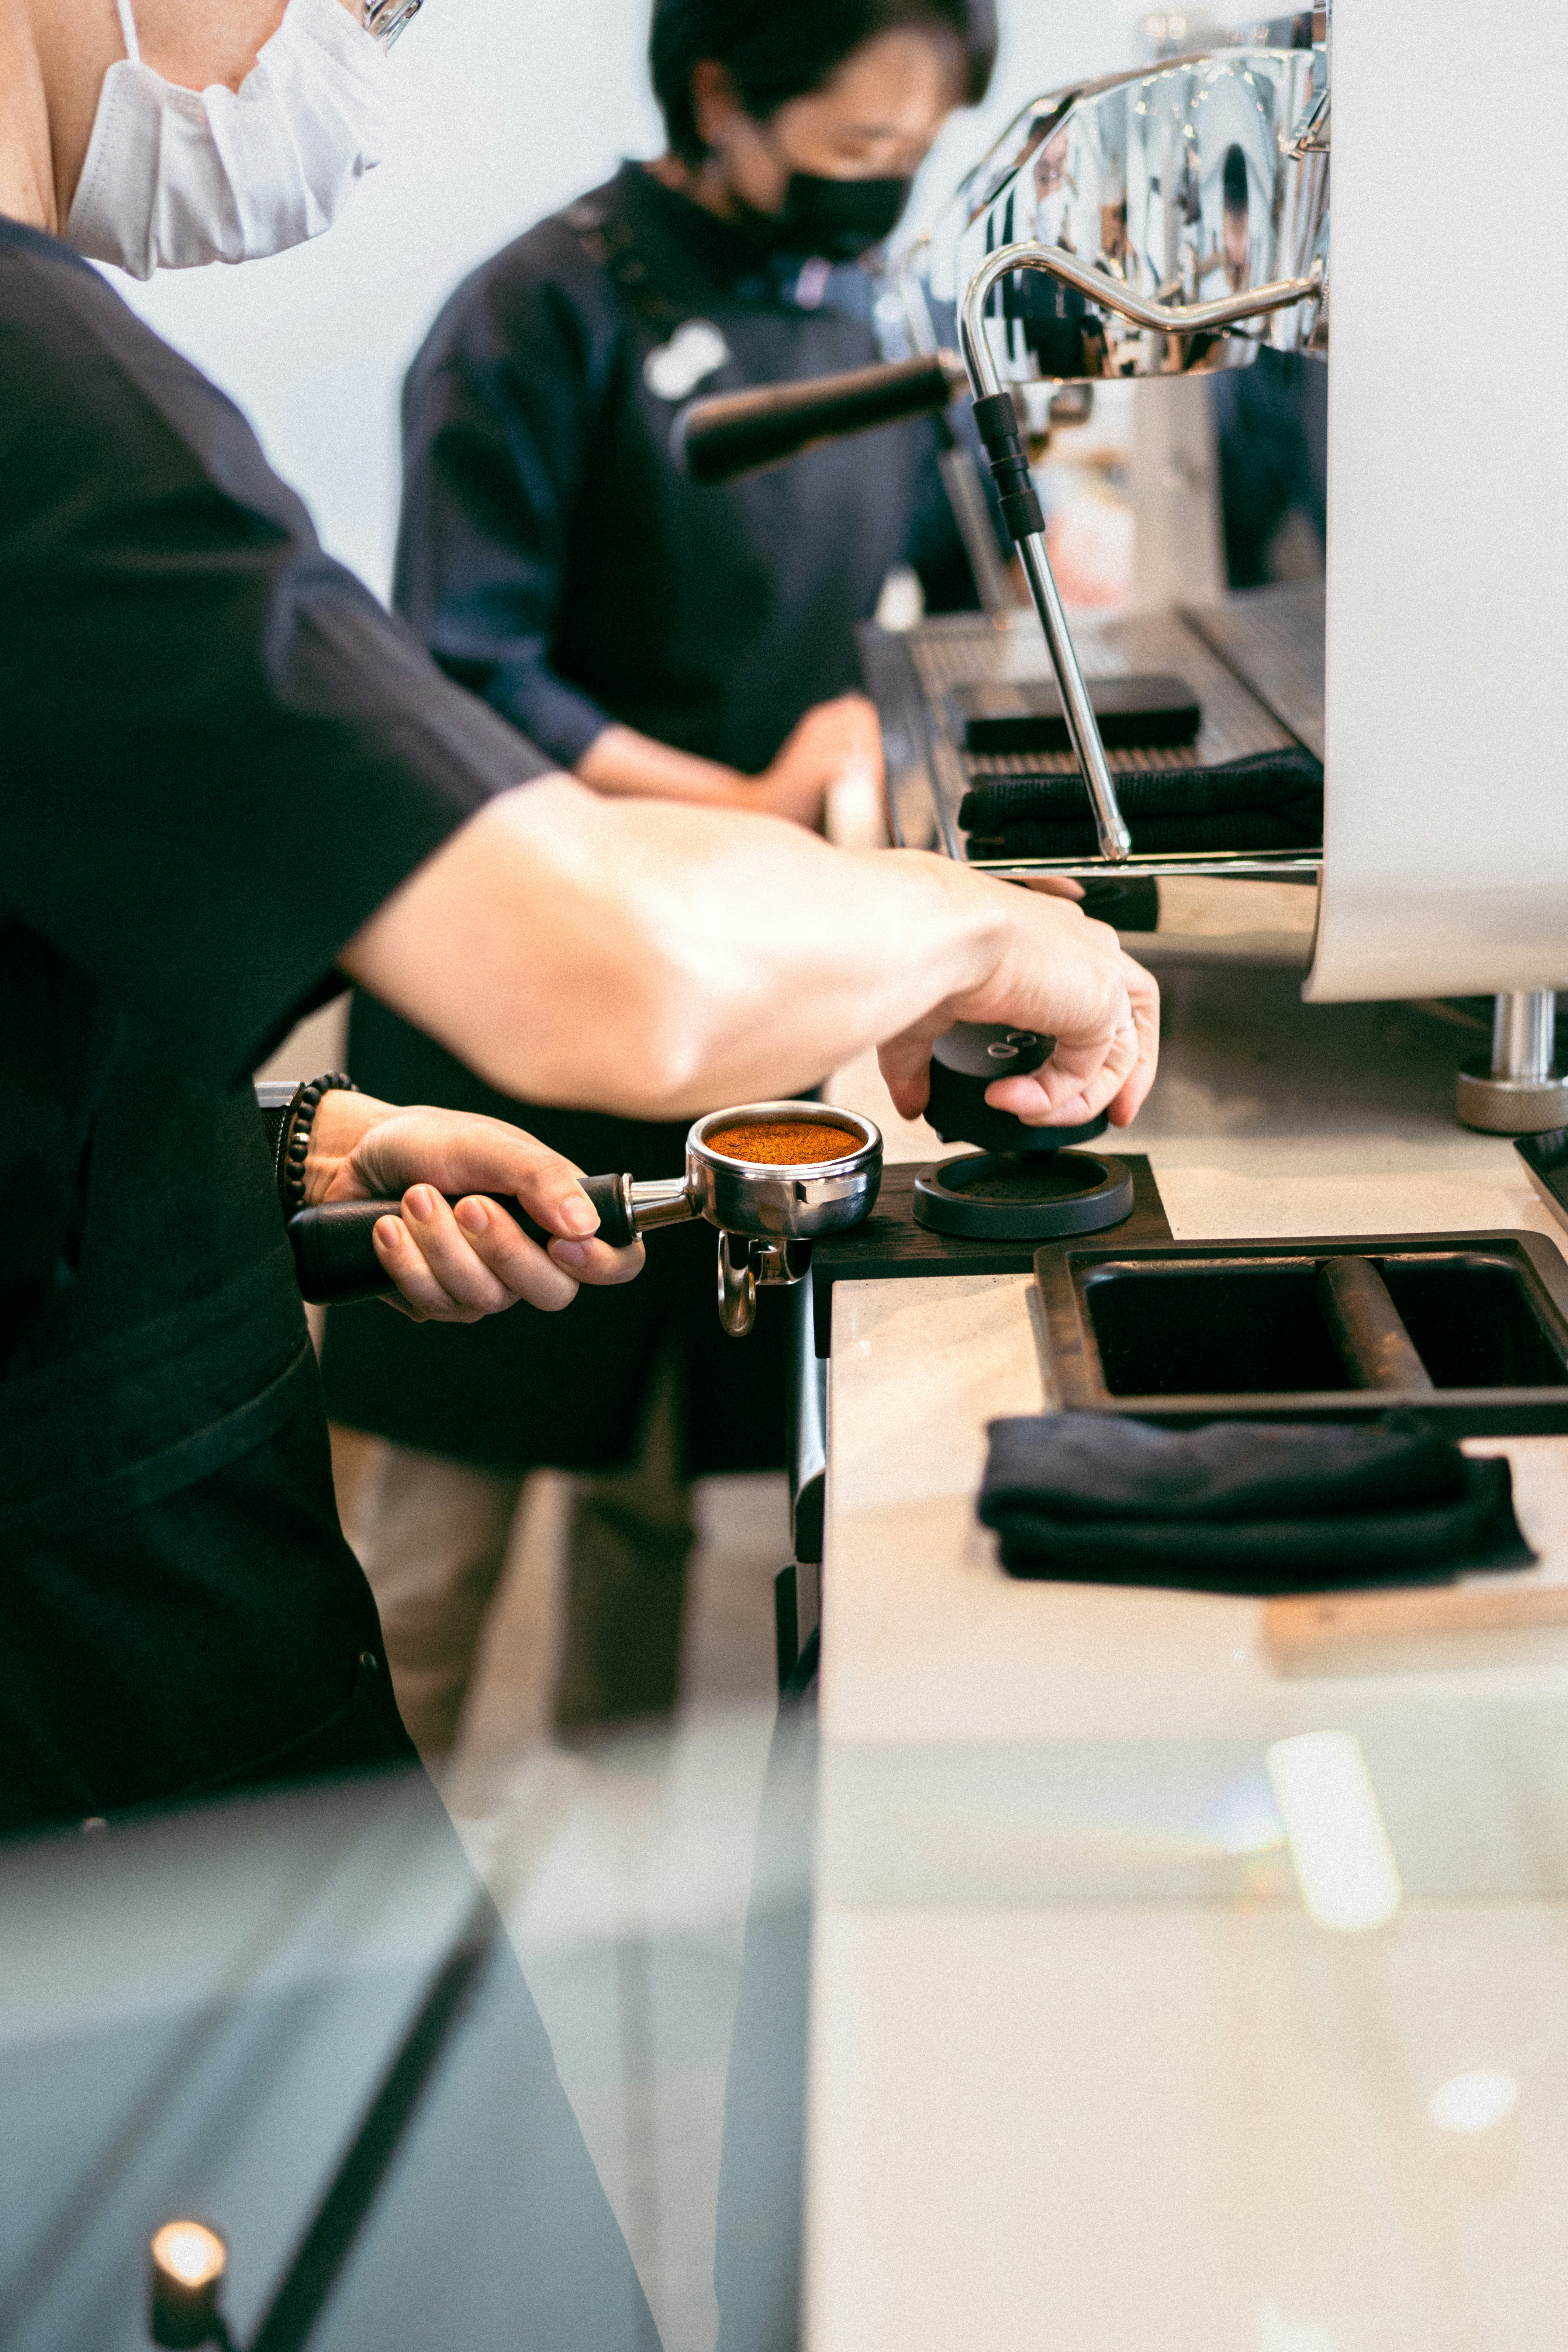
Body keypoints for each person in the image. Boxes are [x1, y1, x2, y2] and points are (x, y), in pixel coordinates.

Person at [1, 0, 1155, 2325]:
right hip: (105, 1759)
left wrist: (290, 1135)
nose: (352, 45)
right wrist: (960, 922)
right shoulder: (36, 383)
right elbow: (588, 961)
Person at [321, 0, 1004, 1756]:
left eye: (913, 156)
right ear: (723, 92)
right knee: (435, 1534)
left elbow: (945, 554)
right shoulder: (531, 316)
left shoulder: (865, 306)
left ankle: (610, 1891)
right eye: (857, 152)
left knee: (651, 1482)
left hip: (738, 983)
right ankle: (365, 1944)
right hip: (518, 983)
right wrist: (735, 794)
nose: (886, 190)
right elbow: (468, 666)